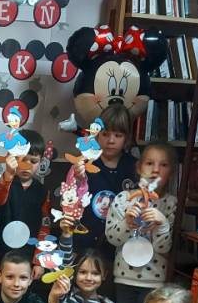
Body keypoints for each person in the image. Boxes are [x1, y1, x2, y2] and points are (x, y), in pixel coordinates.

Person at [42, 104, 136, 273]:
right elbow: (68, 201)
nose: (111, 140)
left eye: (118, 135)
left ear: (127, 138)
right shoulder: (83, 163)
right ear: (97, 134)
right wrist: (78, 180)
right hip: (83, 242)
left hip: (119, 247)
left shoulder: (133, 167)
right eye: (105, 134)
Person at [105, 141, 178, 303]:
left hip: (154, 282)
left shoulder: (171, 204)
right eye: (149, 163)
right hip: (124, 278)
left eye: (163, 165)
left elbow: (165, 248)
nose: (155, 170)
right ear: (139, 167)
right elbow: (112, 238)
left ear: (171, 171)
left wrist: (162, 224)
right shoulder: (123, 199)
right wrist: (127, 224)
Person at [0, 129, 48, 290]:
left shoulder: (42, 191)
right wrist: (8, 174)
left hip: (26, 258)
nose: (26, 165)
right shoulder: (2, 182)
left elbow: (44, 227)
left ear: (41, 162)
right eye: (22, 159)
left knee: (21, 294)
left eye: (33, 161)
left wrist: (39, 260)